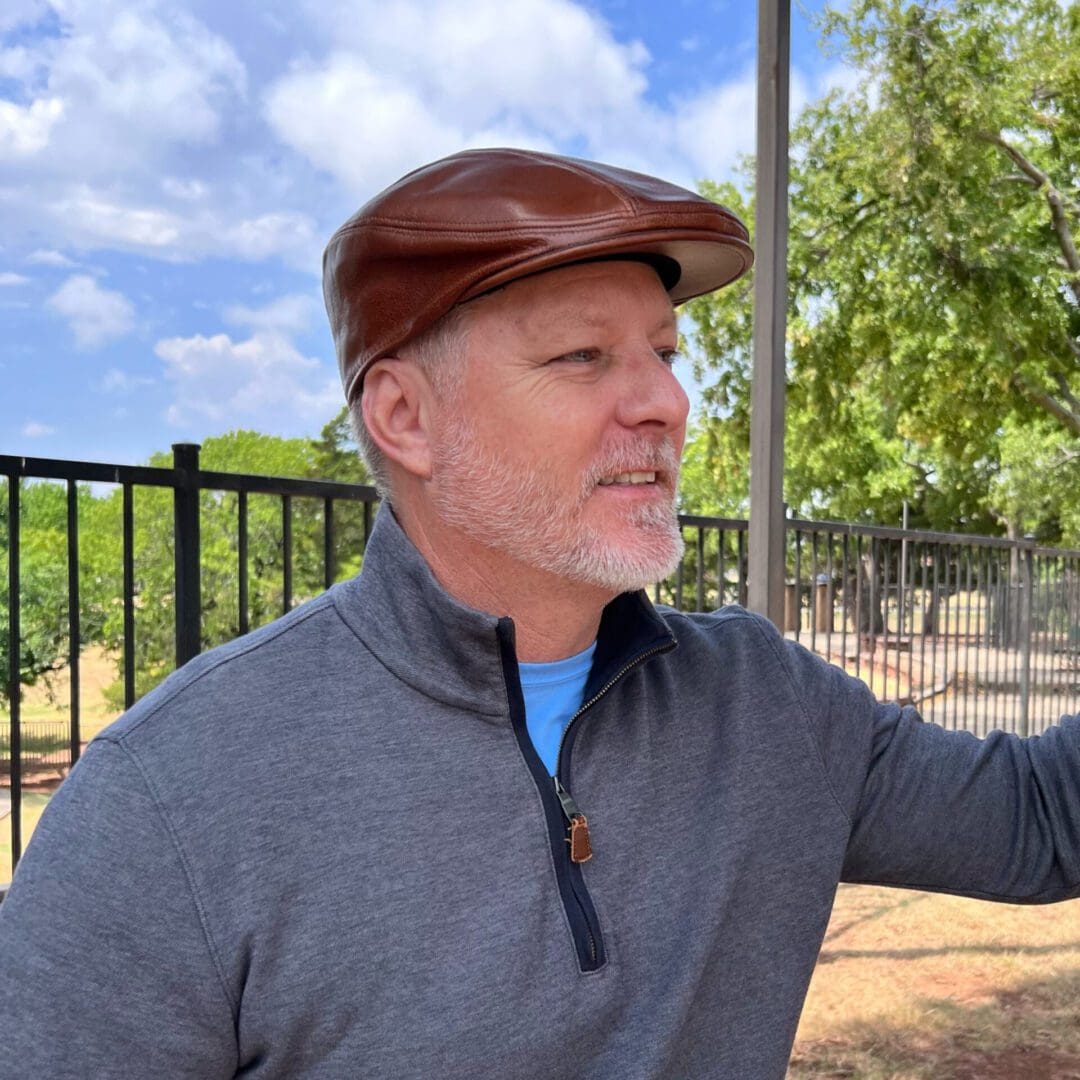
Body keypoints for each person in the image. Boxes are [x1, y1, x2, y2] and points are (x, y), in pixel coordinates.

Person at [1, 148, 1078, 1080]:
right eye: (581, 356)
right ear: (406, 416)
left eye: (664, 350)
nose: (663, 401)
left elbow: (1043, 822)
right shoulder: (174, 798)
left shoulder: (768, 708)